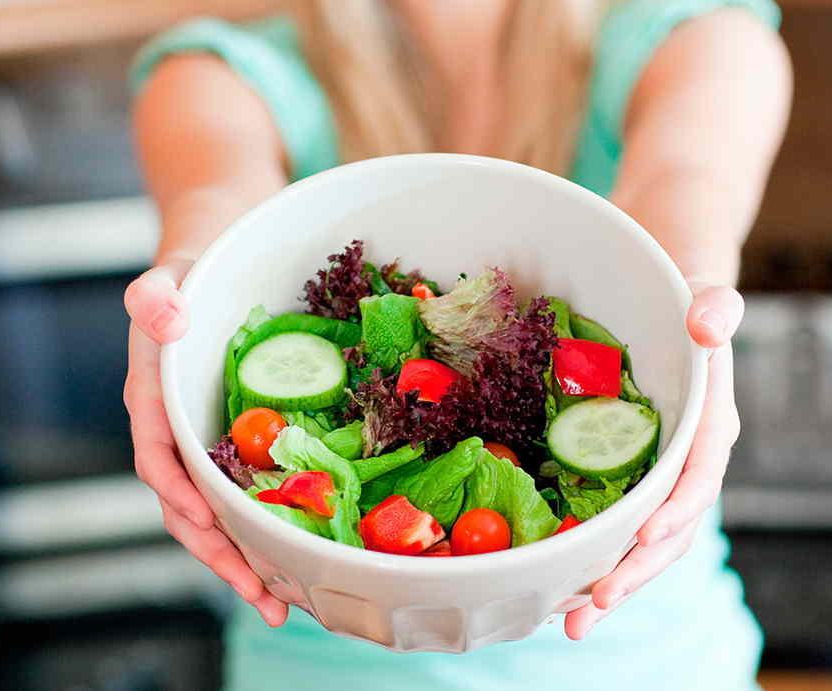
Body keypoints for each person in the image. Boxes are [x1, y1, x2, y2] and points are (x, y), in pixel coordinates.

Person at [123, 1, 792, 689]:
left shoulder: (701, 36)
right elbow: (221, 201)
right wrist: (188, 297)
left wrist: (691, 295)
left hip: (645, 659)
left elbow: (682, 179)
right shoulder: (213, 75)